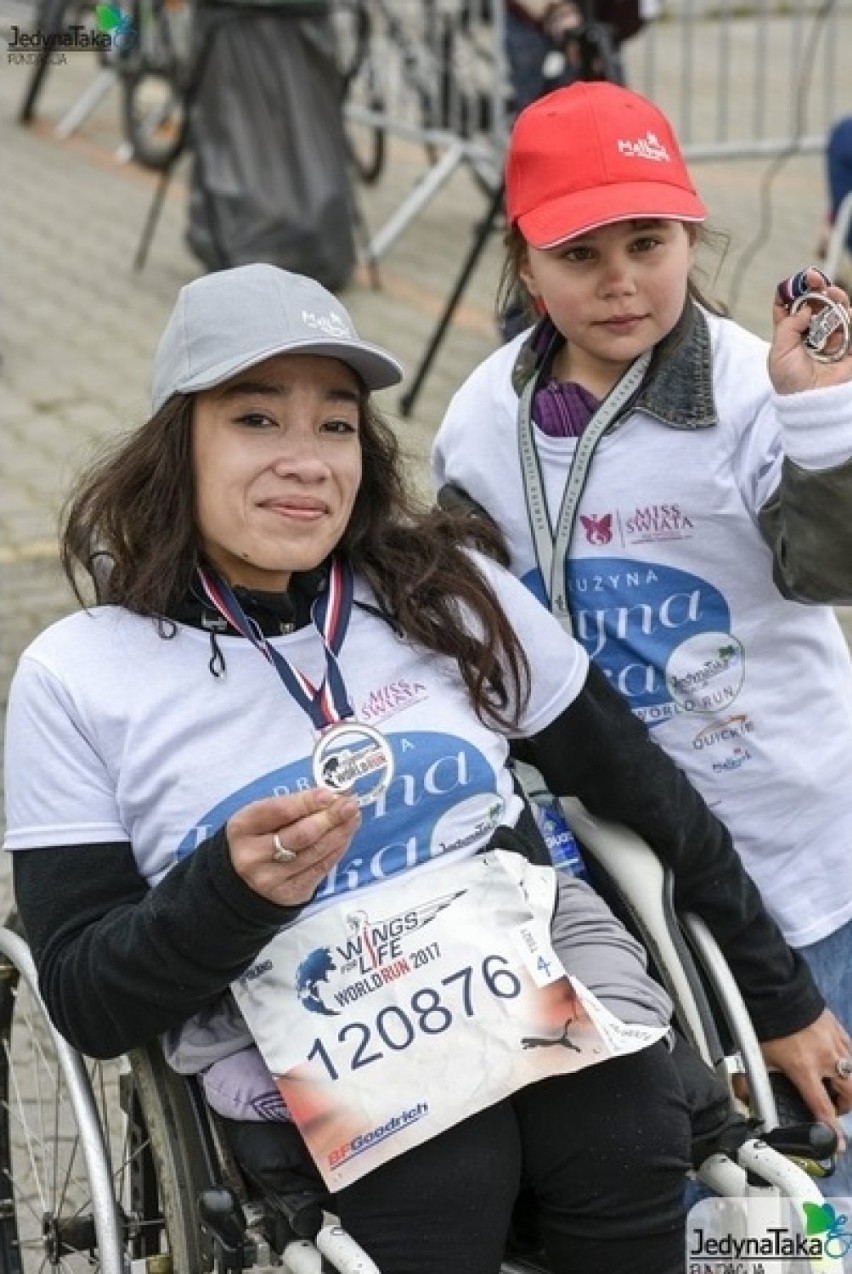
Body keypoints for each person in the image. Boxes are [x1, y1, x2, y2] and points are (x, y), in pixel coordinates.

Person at [1, 265, 842, 1274]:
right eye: (257, 419)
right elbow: (89, 998)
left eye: (336, 424)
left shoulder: (440, 588)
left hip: (518, 977)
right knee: (448, 1171)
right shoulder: (79, 673)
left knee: (631, 1134)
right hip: (306, 1009)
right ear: (177, 442)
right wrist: (229, 892)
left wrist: (782, 995)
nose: (305, 461)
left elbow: (642, 789)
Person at [431, 79, 852, 1195]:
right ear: (525, 264)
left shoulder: (749, 389)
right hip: (607, 863)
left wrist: (824, 417)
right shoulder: (482, 416)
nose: (621, 280)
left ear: (689, 234)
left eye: (647, 242)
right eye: (581, 254)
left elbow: (831, 568)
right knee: (713, 1166)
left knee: (822, 1156)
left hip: (792, 850)